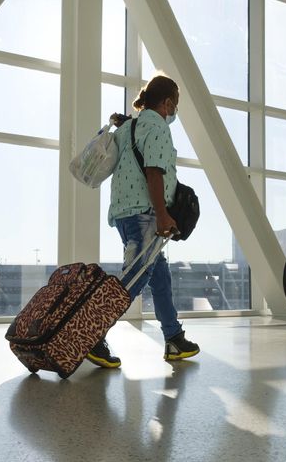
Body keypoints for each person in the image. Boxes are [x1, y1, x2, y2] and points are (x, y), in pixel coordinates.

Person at [86, 74, 200, 369]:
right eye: (175, 105)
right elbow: (154, 171)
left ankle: (174, 337)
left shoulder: (129, 127)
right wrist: (162, 214)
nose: (174, 111)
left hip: (125, 211)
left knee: (160, 276)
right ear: (167, 103)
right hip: (145, 214)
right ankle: (92, 335)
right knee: (134, 279)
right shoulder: (158, 126)